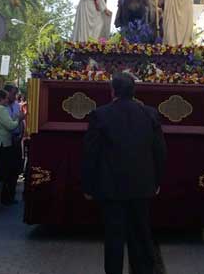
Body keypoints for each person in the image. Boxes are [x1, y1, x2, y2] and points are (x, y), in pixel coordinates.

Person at [81, 73, 167, 274]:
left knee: (114, 237)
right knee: (140, 234)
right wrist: (157, 180)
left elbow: (90, 153)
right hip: (142, 186)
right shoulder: (150, 114)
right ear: (134, 91)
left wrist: (87, 185)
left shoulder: (100, 115)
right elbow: (160, 151)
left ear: (112, 91)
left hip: (111, 188)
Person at [0, 90, 20, 205]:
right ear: (1, 98)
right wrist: (19, 118)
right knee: (2, 173)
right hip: (3, 144)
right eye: (6, 98)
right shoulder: (1, 109)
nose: (8, 100)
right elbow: (11, 125)